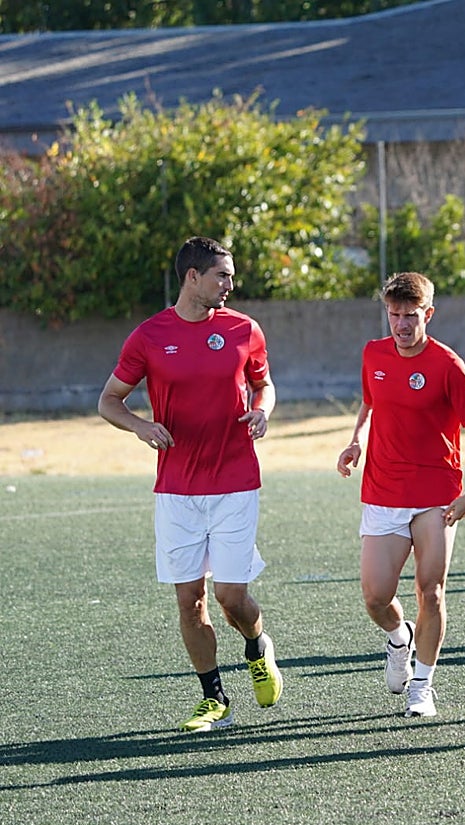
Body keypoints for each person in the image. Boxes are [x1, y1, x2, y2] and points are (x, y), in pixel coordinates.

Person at [97, 236, 283, 733]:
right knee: (189, 601)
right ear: (192, 277)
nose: (230, 284)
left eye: (231, 275)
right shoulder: (149, 336)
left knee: (231, 596)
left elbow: (264, 384)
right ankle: (214, 698)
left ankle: (257, 645)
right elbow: (110, 400)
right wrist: (141, 426)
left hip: (235, 483)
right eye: (222, 275)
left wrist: (262, 411)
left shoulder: (245, 329)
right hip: (176, 490)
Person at [337, 271, 465, 718]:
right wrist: (357, 440)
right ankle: (399, 638)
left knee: (432, 591)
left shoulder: (446, 363)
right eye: (394, 314)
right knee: (375, 597)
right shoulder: (373, 354)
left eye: (410, 314)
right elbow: (369, 403)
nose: (401, 324)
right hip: (383, 490)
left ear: (429, 313)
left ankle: (421, 686)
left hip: (436, 495)